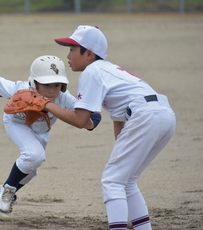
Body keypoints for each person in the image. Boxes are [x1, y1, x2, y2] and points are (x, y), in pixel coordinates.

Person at [41, 26, 176, 229]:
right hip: (164, 115)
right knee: (126, 180)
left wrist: (43, 104)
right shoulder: (107, 70)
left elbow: (80, 120)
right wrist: (121, 152)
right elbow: (118, 119)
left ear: (88, 54)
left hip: (145, 116)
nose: (68, 55)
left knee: (112, 181)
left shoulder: (92, 72)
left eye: (72, 49)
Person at [0, 55, 102, 221]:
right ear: (33, 82)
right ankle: (7, 192)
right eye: (46, 84)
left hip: (41, 131)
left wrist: (90, 124)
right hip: (17, 124)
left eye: (57, 84)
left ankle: (2, 191)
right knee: (34, 155)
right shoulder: (21, 89)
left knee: (31, 170)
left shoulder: (63, 98)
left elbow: (92, 115)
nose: (52, 89)